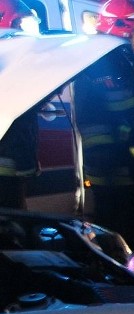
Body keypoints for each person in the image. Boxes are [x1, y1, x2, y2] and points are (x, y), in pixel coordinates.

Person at [73, 0, 134, 273]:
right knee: (112, 230)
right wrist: (119, 153)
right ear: (121, 28)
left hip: (133, 166)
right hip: (112, 169)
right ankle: (118, 280)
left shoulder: (130, 63)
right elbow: (90, 121)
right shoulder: (97, 66)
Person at [0, 0, 41, 209]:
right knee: (12, 224)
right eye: (20, 23)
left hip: (10, 163)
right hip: (8, 165)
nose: (23, 29)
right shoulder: (10, 63)